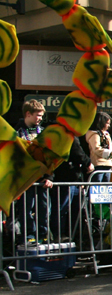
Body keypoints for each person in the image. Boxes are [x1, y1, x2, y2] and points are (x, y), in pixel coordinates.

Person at [15, 100, 53, 243]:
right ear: (28, 114)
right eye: (38, 115)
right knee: (26, 209)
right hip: (25, 179)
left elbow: (50, 157)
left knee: (44, 210)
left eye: (42, 116)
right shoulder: (16, 132)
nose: (40, 119)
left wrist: (50, 177)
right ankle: (29, 236)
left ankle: (44, 236)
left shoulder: (43, 133)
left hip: (42, 179)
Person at [85, 112, 112, 182]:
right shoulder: (94, 134)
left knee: (105, 187)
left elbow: (110, 149)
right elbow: (96, 149)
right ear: (101, 123)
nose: (109, 125)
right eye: (107, 123)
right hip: (99, 164)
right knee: (97, 187)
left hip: (108, 164)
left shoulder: (107, 134)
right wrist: (110, 153)